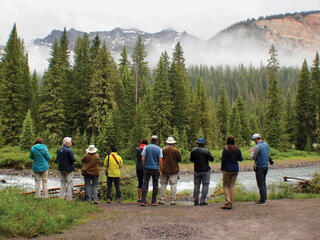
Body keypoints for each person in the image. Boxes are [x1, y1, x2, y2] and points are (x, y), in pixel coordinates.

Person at [221, 136, 243, 209]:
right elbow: (241, 159)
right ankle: (231, 202)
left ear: (227, 141)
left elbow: (223, 160)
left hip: (227, 169)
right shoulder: (237, 149)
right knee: (232, 186)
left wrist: (222, 169)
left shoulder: (225, 149)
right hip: (235, 169)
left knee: (225, 186)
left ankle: (228, 202)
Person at [190, 137, 214, 206]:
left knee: (196, 185)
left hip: (197, 170)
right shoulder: (206, 151)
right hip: (205, 170)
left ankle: (196, 200)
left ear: (198, 143)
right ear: (203, 144)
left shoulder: (193, 150)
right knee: (205, 185)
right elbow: (211, 159)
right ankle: (203, 200)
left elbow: (191, 160)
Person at [140, 135, 163, 206]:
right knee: (155, 185)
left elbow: (143, 158)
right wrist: (160, 170)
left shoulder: (146, 147)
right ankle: (153, 201)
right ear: (157, 141)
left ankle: (143, 200)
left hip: (147, 168)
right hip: (156, 168)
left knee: (145, 184)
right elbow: (160, 160)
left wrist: (143, 166)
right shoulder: (159, 149)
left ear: (151, 140)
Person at [159, 136, 181, 205]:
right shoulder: (176, 150)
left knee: (163, 184)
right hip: (173, 170)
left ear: (167, 143)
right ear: (173, 143)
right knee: (173, 185)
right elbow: (179, 159)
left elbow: (160, 158)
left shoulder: (162, 149)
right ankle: (173, 200)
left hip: (164, 169)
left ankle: (162, 199)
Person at [249, 133, 270, 205]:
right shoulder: (266, 144)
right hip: (266, 167)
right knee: (264, 183)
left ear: (256, 139)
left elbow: (253, 157)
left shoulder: (257, 146)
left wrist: (251, 152)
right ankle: (264, 198)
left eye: (254, 140)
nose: (254, 141)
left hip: (259, 167)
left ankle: (262, 200)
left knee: (260, 184)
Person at [136, 139, 148, 203]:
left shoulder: (137, 149)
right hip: (146, 167)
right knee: (145, 183)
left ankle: (138, 198)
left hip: (138, 167)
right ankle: (144, 198)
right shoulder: (147, 149)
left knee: (139, 183)